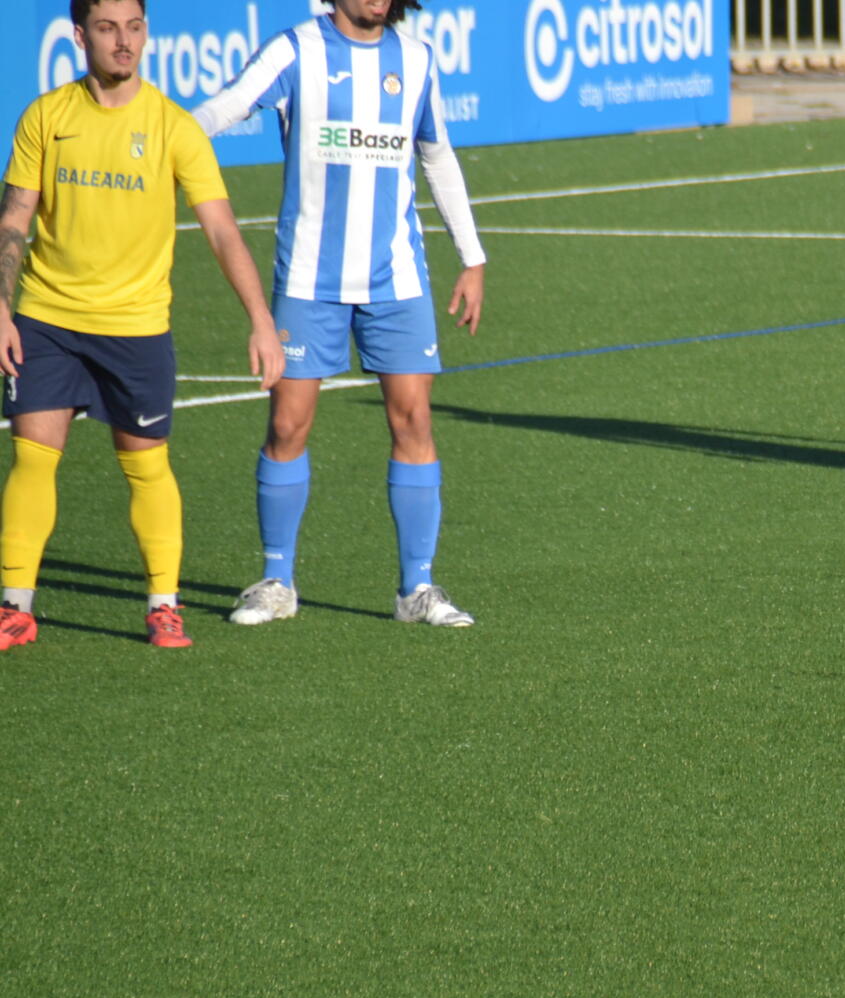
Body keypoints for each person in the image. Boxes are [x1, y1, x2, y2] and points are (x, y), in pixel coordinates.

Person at [191, 0, 486, 629]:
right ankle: (277, 581)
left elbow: (436, 154)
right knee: (288, 425)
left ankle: (417, 588)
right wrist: (163, 139)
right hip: (309, 279)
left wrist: (472, 256)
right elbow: (225, 106)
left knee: (414, 420)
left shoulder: (416, 59)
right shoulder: (295, 48)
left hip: (396, 279)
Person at [0, 0, 282, 652]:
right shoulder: (46, 116)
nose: (123, 41)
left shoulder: (173, 126)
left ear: (146, 32)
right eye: (107, 28)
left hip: (136, 327)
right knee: (32, 456)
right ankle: (15, 606)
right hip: (48, 318)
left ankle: (163, 606)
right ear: (79, 36)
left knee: (147, 467)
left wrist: (261, 320)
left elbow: (222, 230)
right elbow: (15, 217)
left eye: (133, 27)